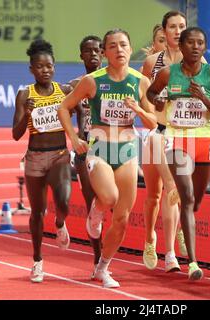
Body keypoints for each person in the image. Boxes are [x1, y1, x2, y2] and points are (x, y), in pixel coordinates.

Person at [58, 29, 157, 288]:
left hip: (127, 152)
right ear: (105, 52)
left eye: (124, 45)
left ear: (130, 47)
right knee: (110, 198)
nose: (119, 50)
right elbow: (63, 107)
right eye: (113, 46)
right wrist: (74, 138)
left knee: (122, 219)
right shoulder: (93, 81)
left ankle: (103, 267)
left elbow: (154, 121)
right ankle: (96, 210)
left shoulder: (140, 82)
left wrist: (138, 110)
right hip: (100, 149)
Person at [147, 27, 210, 280]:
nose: (195, 47)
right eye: (190, 42)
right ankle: (193, 263)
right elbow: (151, 93)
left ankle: (184, 222)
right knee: (188, 196)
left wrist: (204, 100)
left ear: (204, 48)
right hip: (176, 140)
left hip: (204, 140)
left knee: (196, 202)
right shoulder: (167, 73)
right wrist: (158, 101)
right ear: (180, 47)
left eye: (200, 43)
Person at [12, 39, 72, 283]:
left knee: (64, 201)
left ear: (54, 66)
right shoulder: (25, 94)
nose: (44, 70)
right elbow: (15, 135)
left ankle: (60, 223)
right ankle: (37, 261)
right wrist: (26, 113)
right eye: (39, 67)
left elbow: (79, 109)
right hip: (35, 157)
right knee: (37, 213)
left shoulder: (64, 91)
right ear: (31, 69)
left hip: (60, 153)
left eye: (48, 66)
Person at [139, 11, 189, 273]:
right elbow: (144, 98)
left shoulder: (195, 61)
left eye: (182, 26)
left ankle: (170, 252)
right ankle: (149, 239)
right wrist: (153, 107)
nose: (178, 31)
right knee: (153, 196)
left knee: (172, 192)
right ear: (165, 31)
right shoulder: (150, 63)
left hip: (181, 134)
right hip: (156, 131)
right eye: (173, 27)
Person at [67, 35, 104, 278]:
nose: (93, 54)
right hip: (85, 152)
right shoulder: (73, 85)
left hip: (112, 148)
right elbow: (60, 115)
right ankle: (98, 260)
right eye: (88, 51)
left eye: (97, 50)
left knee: (109, 203)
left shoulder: (113, 80)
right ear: (81, 55)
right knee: (93, 208)